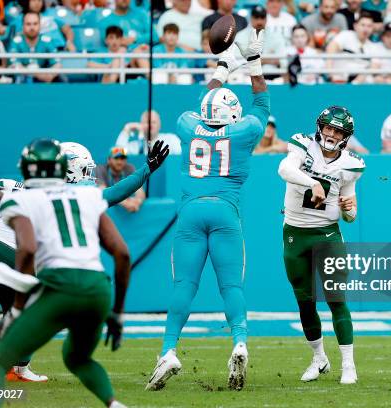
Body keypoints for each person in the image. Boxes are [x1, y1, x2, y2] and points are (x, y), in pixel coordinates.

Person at [0, 140, 169, 387]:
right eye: (85, 170)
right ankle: (5, 366)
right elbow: (115, 194)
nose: (88, 176)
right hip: (20, 260)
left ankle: (14, 366)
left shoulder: (8, 184)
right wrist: (147, 169)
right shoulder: (68, 196)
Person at [145, 27, 269, 392]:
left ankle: (168, 351)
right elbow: (261, 105)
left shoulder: (187, 126)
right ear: (233, 114)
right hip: (225, 212)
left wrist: (222, 66)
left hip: (190, 213)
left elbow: (205, 101)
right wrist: (254, 63)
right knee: (230, 285)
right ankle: (240, 342)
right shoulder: (244, 130)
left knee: (185, 284)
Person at [0, 139, 130, 408]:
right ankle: (114, 404)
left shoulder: (20, 198)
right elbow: (122, 254)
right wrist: (117, 313)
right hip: (97, 288)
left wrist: (15, 310)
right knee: (78, 358)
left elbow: (25, 251)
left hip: (57, 287)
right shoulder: (88, 195)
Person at [277, 105, 364, 384]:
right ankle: (319, 357)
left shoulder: (351, 164)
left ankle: (348, 364)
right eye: (328, 128)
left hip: (327, 235)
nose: (331, 133)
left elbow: (349, 214)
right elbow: (285, 168)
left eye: (337, 130)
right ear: (320, 127)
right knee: (305, 302)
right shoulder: (303, 145)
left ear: (345, 136)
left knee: (336, 300)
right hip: (295, 233)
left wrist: (349, 209)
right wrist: (312, 182)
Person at [233, 6, 287, 83]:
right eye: (256, 18)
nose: (259, 22)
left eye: (262, 18)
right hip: (247, 77)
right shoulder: (240, 36)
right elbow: (238, 61)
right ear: (251, 19)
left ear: (266, 19)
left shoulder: (276, 36)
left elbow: (283, 61)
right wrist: (268, 60)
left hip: (273, 76)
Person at [8, 11, 62, 83]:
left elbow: (57, 64)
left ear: (40, 25)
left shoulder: (47, 40)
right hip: (23, 81)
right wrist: (37, 74)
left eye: (35, 24)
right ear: (22, 26)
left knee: (61, 77)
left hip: (44, 81)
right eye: (28, 24)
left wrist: (50, 76)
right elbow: (15, 65)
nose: (32, 27)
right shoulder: (16, 41)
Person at [326, 12, 378, 84]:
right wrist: (330, 72)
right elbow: (332, 47)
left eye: (369, 26)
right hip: (339, 78)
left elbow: (374, 66)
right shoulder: (346, 35)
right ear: (355, 26)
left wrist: (357, 81)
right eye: (363, 25)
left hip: (360, 83)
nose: (366, 29)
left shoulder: (373, 47)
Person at [95, 146, 146, 213]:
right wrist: (126, 203)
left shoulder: (129, 168)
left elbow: (140, 191)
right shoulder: (100, 169)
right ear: (109, 160)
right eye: (116, 158)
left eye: (122, 158)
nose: (119, 162)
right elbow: (103, 192)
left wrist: (137, 202)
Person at [116, 110, 181, 155]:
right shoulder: (135, 147)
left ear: (159, 125)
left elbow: (182, 159)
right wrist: (126, 130)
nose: (150, 125)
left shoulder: (171, 140)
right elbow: (117, 155)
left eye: (154, 122)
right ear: (141, 125)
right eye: (147, 122)